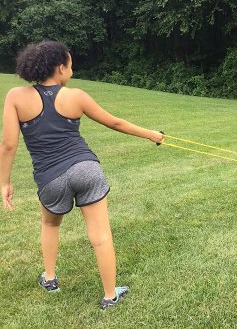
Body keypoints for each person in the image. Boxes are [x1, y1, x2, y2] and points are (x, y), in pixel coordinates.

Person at [0, 41, 164, 309]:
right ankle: (110, 295)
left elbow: (8, 145)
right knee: (100, 235)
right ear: (61, 68)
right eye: (71, 66)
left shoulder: (16, 97)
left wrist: (4, 182)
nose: (72, 71)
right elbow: (115, 122)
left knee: (51, 224)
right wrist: (152, 135)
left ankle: (50, 278)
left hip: (49, 179)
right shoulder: (75, 96)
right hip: (86, 168)